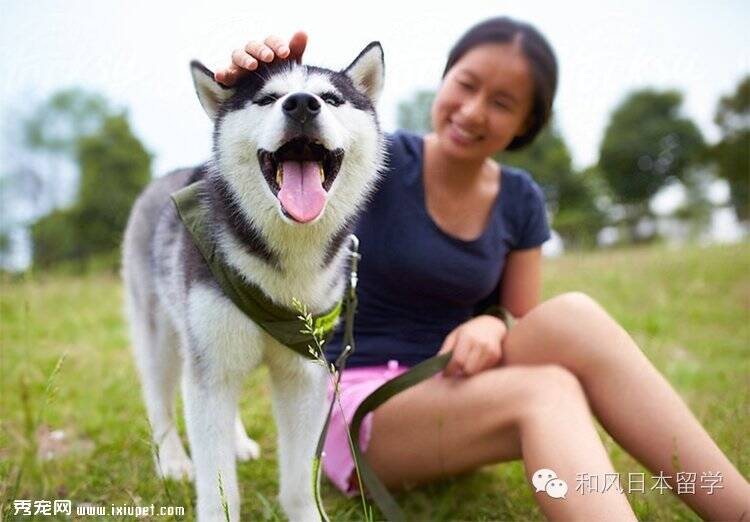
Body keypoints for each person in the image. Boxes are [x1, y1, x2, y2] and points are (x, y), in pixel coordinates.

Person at [215, 18, 750, 520]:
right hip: (360, 403)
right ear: (444, 78)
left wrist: (492, 323)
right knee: (547, 390)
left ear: (527, 123)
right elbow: (263, 177)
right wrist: (259, 98)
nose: (473, 111)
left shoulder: (521, 199)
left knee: (575, 317)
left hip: (459, 383)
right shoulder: (365, 157)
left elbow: (523, 320)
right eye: (465, 85)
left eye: (502, 102)